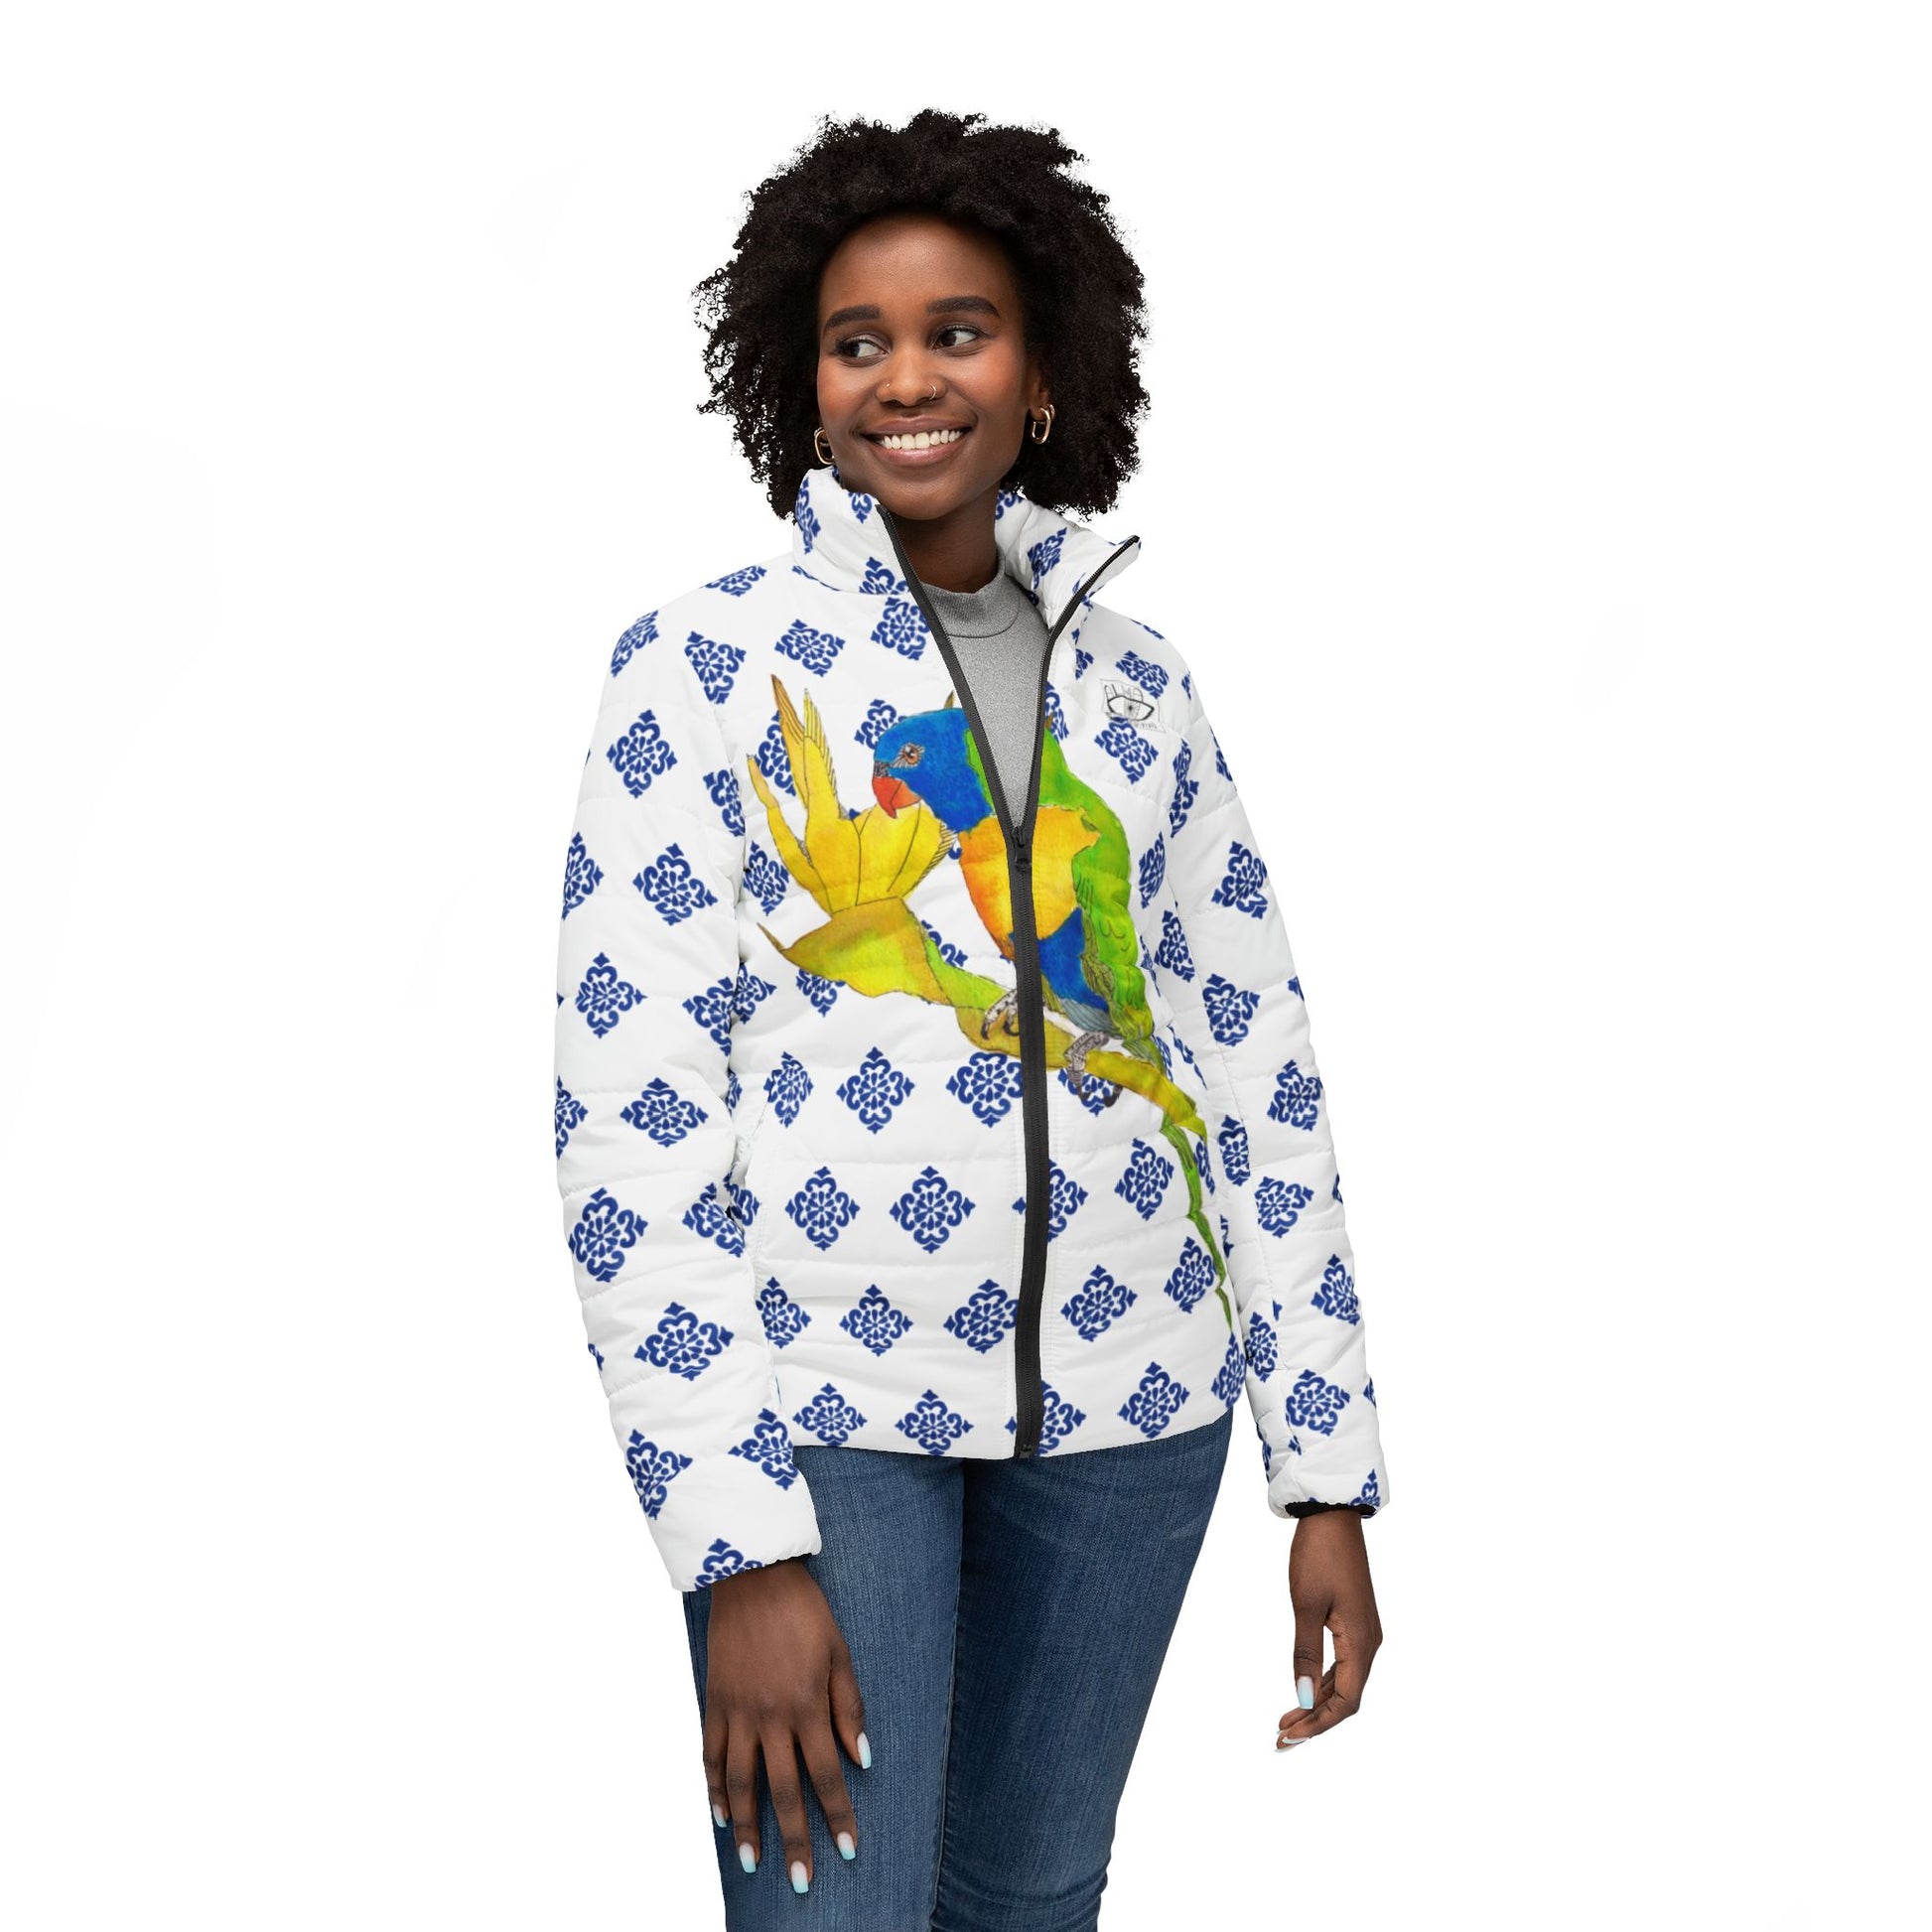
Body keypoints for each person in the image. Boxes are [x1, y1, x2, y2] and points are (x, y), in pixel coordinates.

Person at [553, 108, 1390, 1929]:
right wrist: (735, 1540)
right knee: (831, 1913)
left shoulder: (1141, 687)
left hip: (1132, 1420)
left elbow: (1252, 1063)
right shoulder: (698, 670)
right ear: (802, 382)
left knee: (1028, 1902)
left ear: (1044, 369)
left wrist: (1320, 1466)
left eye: (959, 330)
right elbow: (634, 1119)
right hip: (825, 1418)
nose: (907, 378)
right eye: (857, 340)